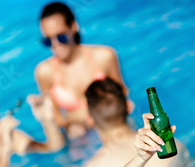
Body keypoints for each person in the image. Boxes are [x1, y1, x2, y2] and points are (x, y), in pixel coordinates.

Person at [35, 2, 129, 138]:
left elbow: (123, 95)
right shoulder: (44, 72)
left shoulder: (105, 56)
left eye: (61, 37)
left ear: (73, 27)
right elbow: (56, 119)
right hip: (80, 136)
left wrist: (78, 116)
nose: (55, 45)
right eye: (48, 41)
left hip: (113, 127)